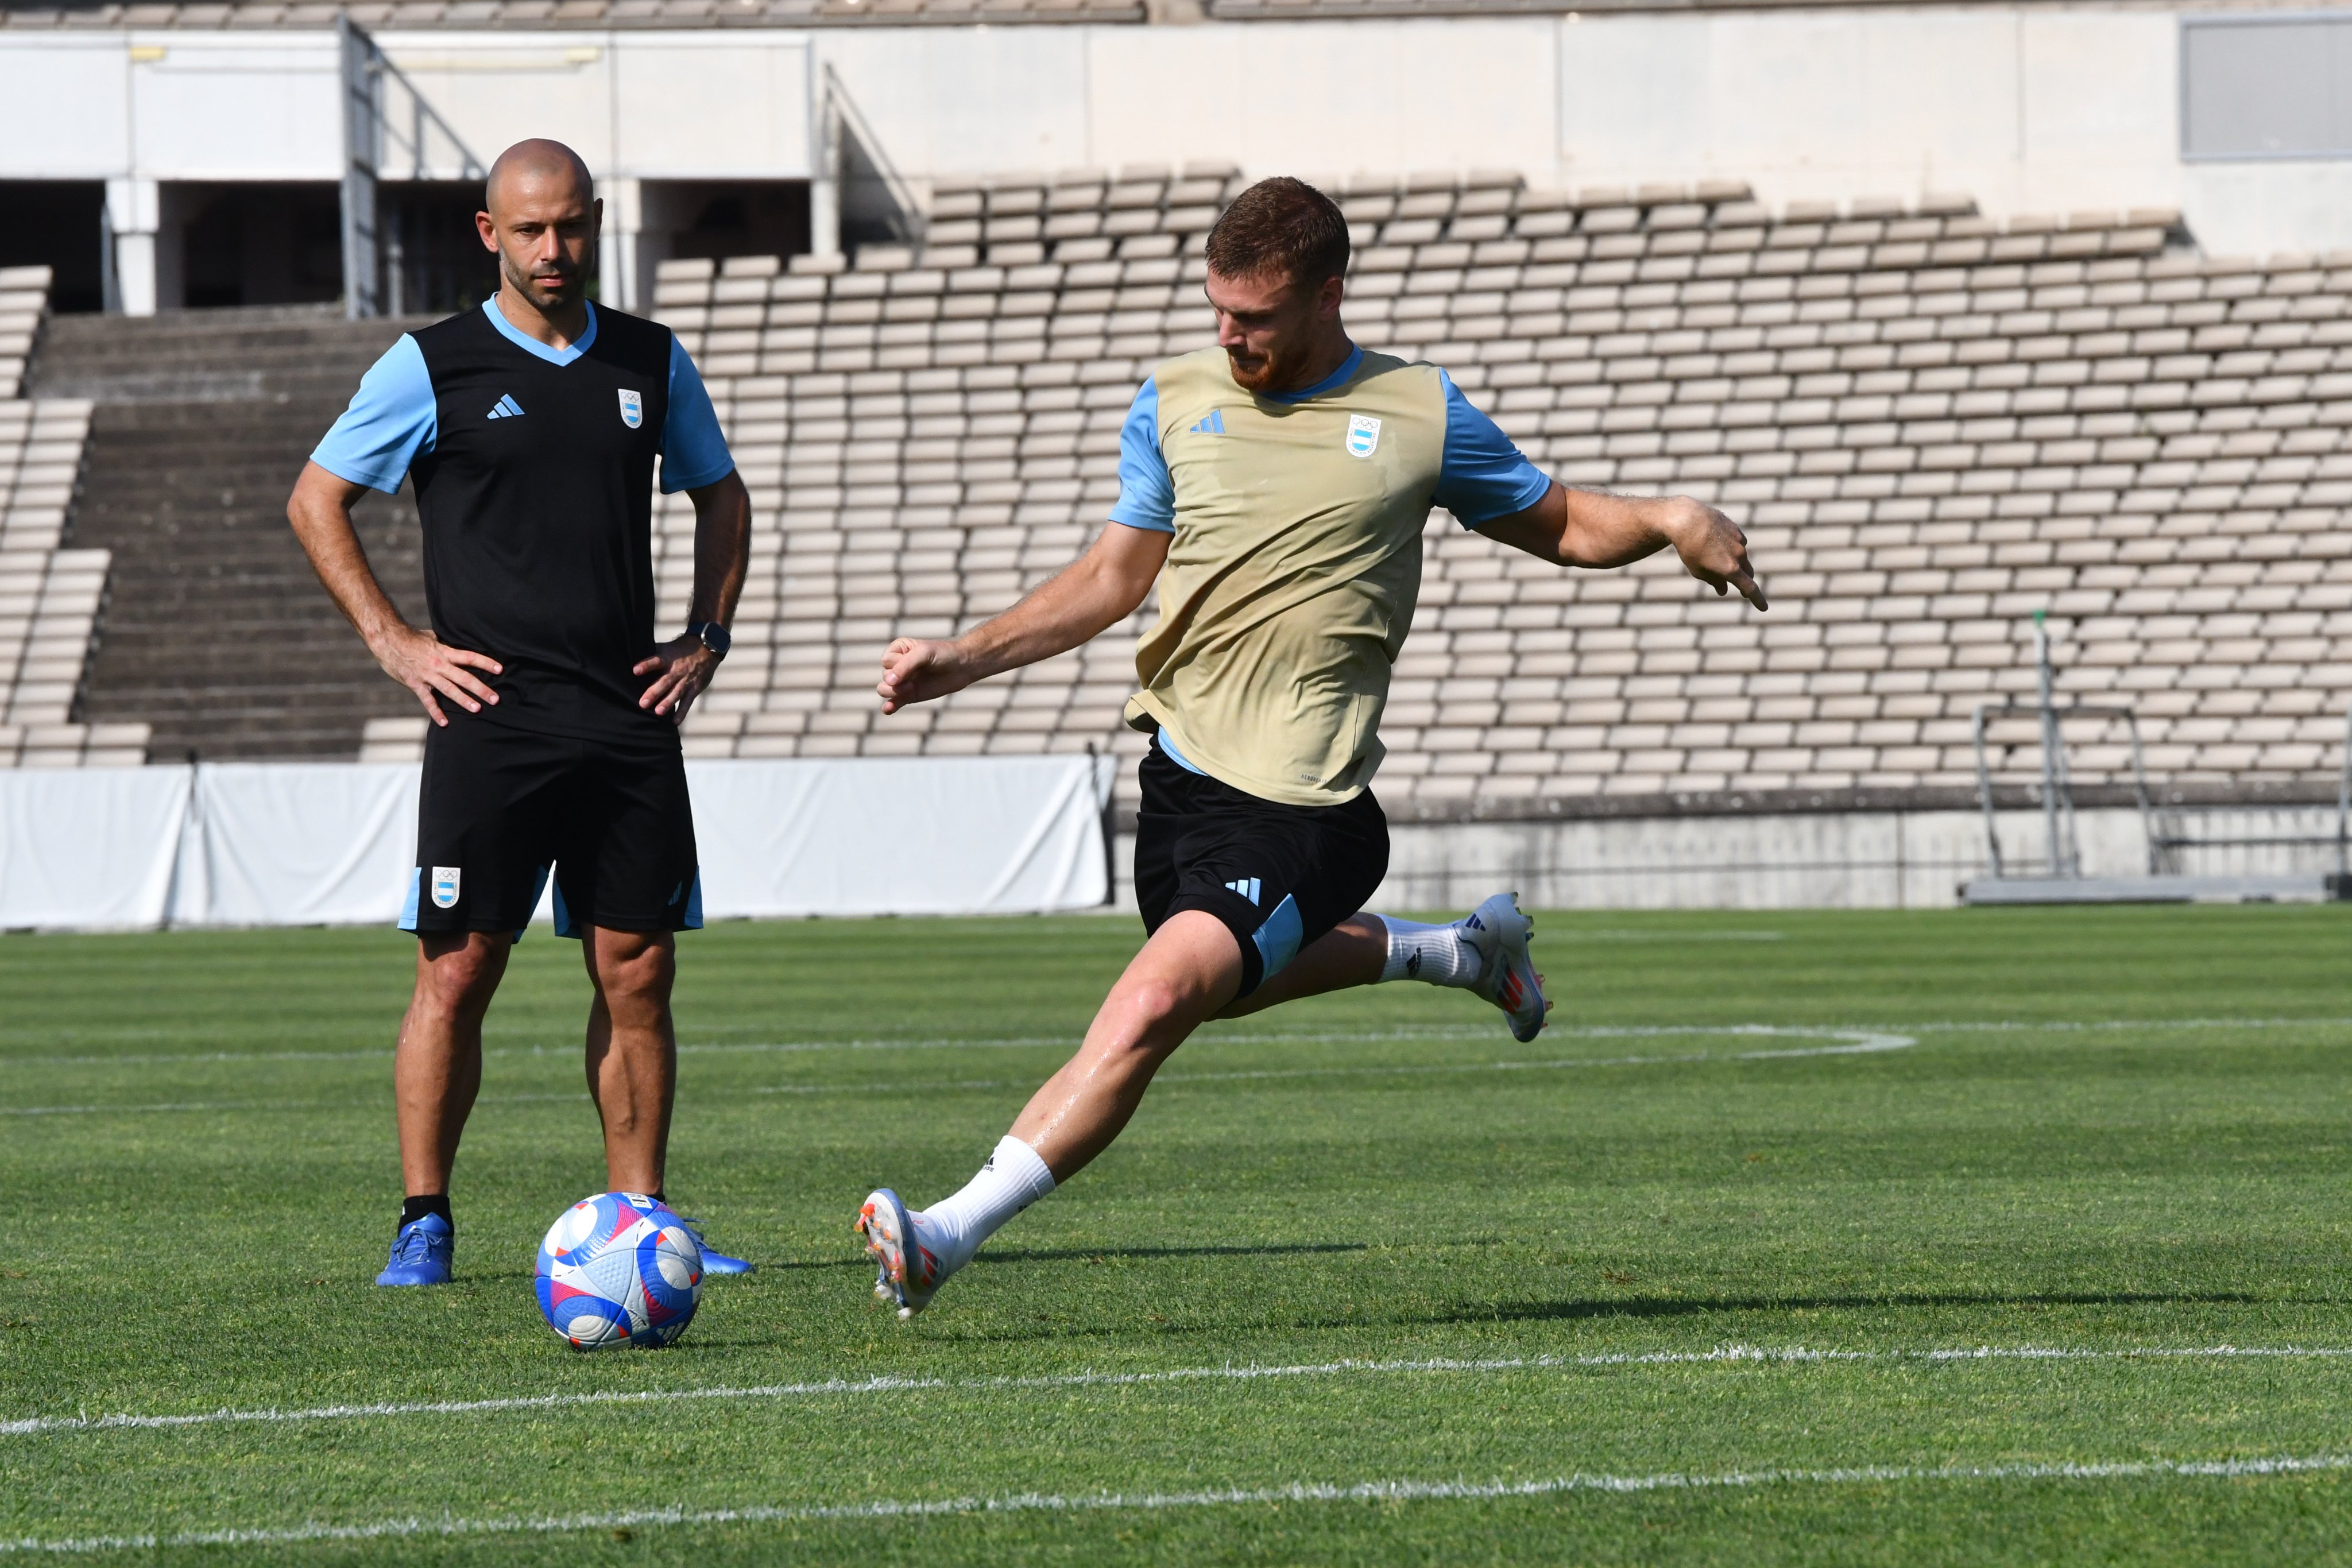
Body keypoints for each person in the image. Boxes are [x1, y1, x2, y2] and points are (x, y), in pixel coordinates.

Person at [854, 177, 1767, 1318]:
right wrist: (964, 656)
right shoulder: (1174, 399)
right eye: (1216, 312)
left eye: (1256, 318)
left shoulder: (1417, 411)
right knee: (1210, 988)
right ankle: (1455, 955)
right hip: (1179, 781)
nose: (1229, 338)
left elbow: (1563, 521)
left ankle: (943, 1234)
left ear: (1327, 294)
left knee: (1151, 1003)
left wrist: (1673, 518)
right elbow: (1110, 578)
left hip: (1307, 807)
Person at [286, 138, 755, 1287]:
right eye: (530, 231)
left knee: (636, 970)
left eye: (572, 228)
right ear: (488, 234)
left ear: (595, 225)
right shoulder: (428, 365)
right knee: (456, 970)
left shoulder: (650, 359)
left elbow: (722, 495)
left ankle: (640, 1222)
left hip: (626, 715)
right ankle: (424, 1217)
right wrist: (397, 645)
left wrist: (704, 637)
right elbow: (316, 500)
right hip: (489, 719)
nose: (554, 250)